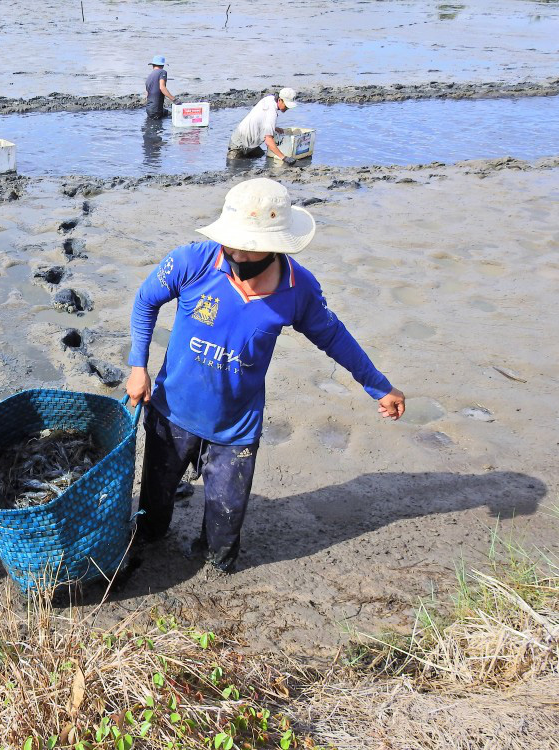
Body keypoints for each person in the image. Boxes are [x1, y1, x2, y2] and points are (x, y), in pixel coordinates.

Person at [126, 178, 406, 573]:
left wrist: (378, 385)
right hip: (172, 411)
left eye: (246, 245)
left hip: (236, 428)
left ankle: (213, 556)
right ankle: (153, 540)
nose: (234, 251)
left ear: (274, 246)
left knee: (223, 539)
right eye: (231, 240)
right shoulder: (193, 262)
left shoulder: (298, 289)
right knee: (152, 510)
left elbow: (333, 337)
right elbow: (145, 300)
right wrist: (139, 367)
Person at [228, 87, 300, 165]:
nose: (287, 108)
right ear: (280, 100)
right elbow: (268, 141)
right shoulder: (271, 113)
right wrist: (284, 158)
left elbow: (260, 118)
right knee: (235, 168)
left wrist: (273, 128)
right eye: (286, 105)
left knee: (261, 155)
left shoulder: (270, 99)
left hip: (250, 144)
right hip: (238, 146)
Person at [144, 55, 176, 119]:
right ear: (163, 65)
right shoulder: (162, 72)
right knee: (174, 115)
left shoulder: (149, 76)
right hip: (156, 111)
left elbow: (147, 94)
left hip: (149, 110)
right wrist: (174, 99)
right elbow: (162, 87)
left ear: (153, 65)